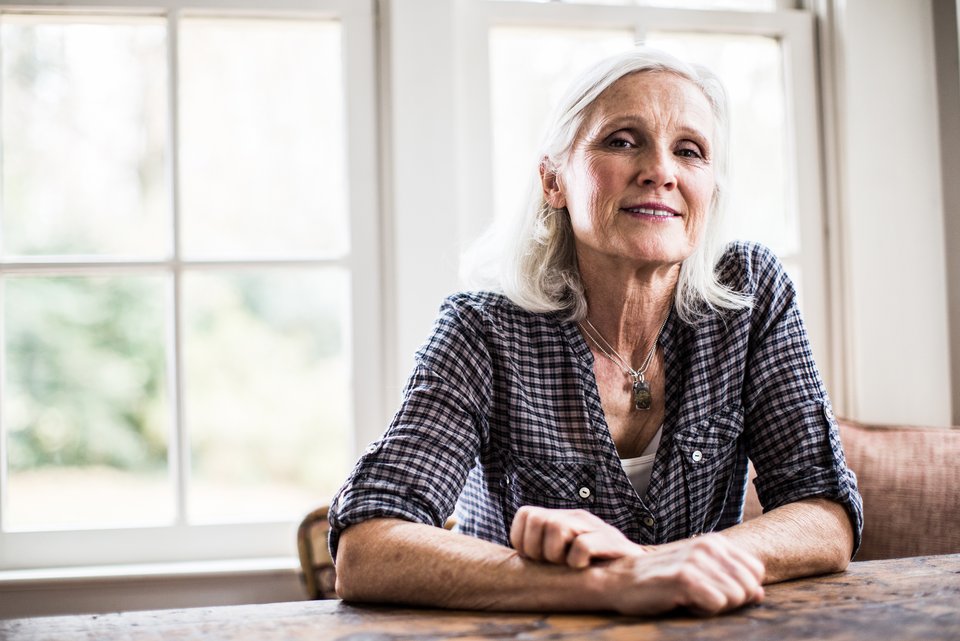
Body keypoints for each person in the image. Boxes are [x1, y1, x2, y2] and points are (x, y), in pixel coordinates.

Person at [327, 47, 863, 616]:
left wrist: (682, 564)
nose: (661, 170)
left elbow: (824, 511)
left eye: (690, 150)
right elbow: (366, 548)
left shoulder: (751, 293)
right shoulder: (480, 329)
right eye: (622, 141)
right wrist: (613, 583)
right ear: (553, 180)